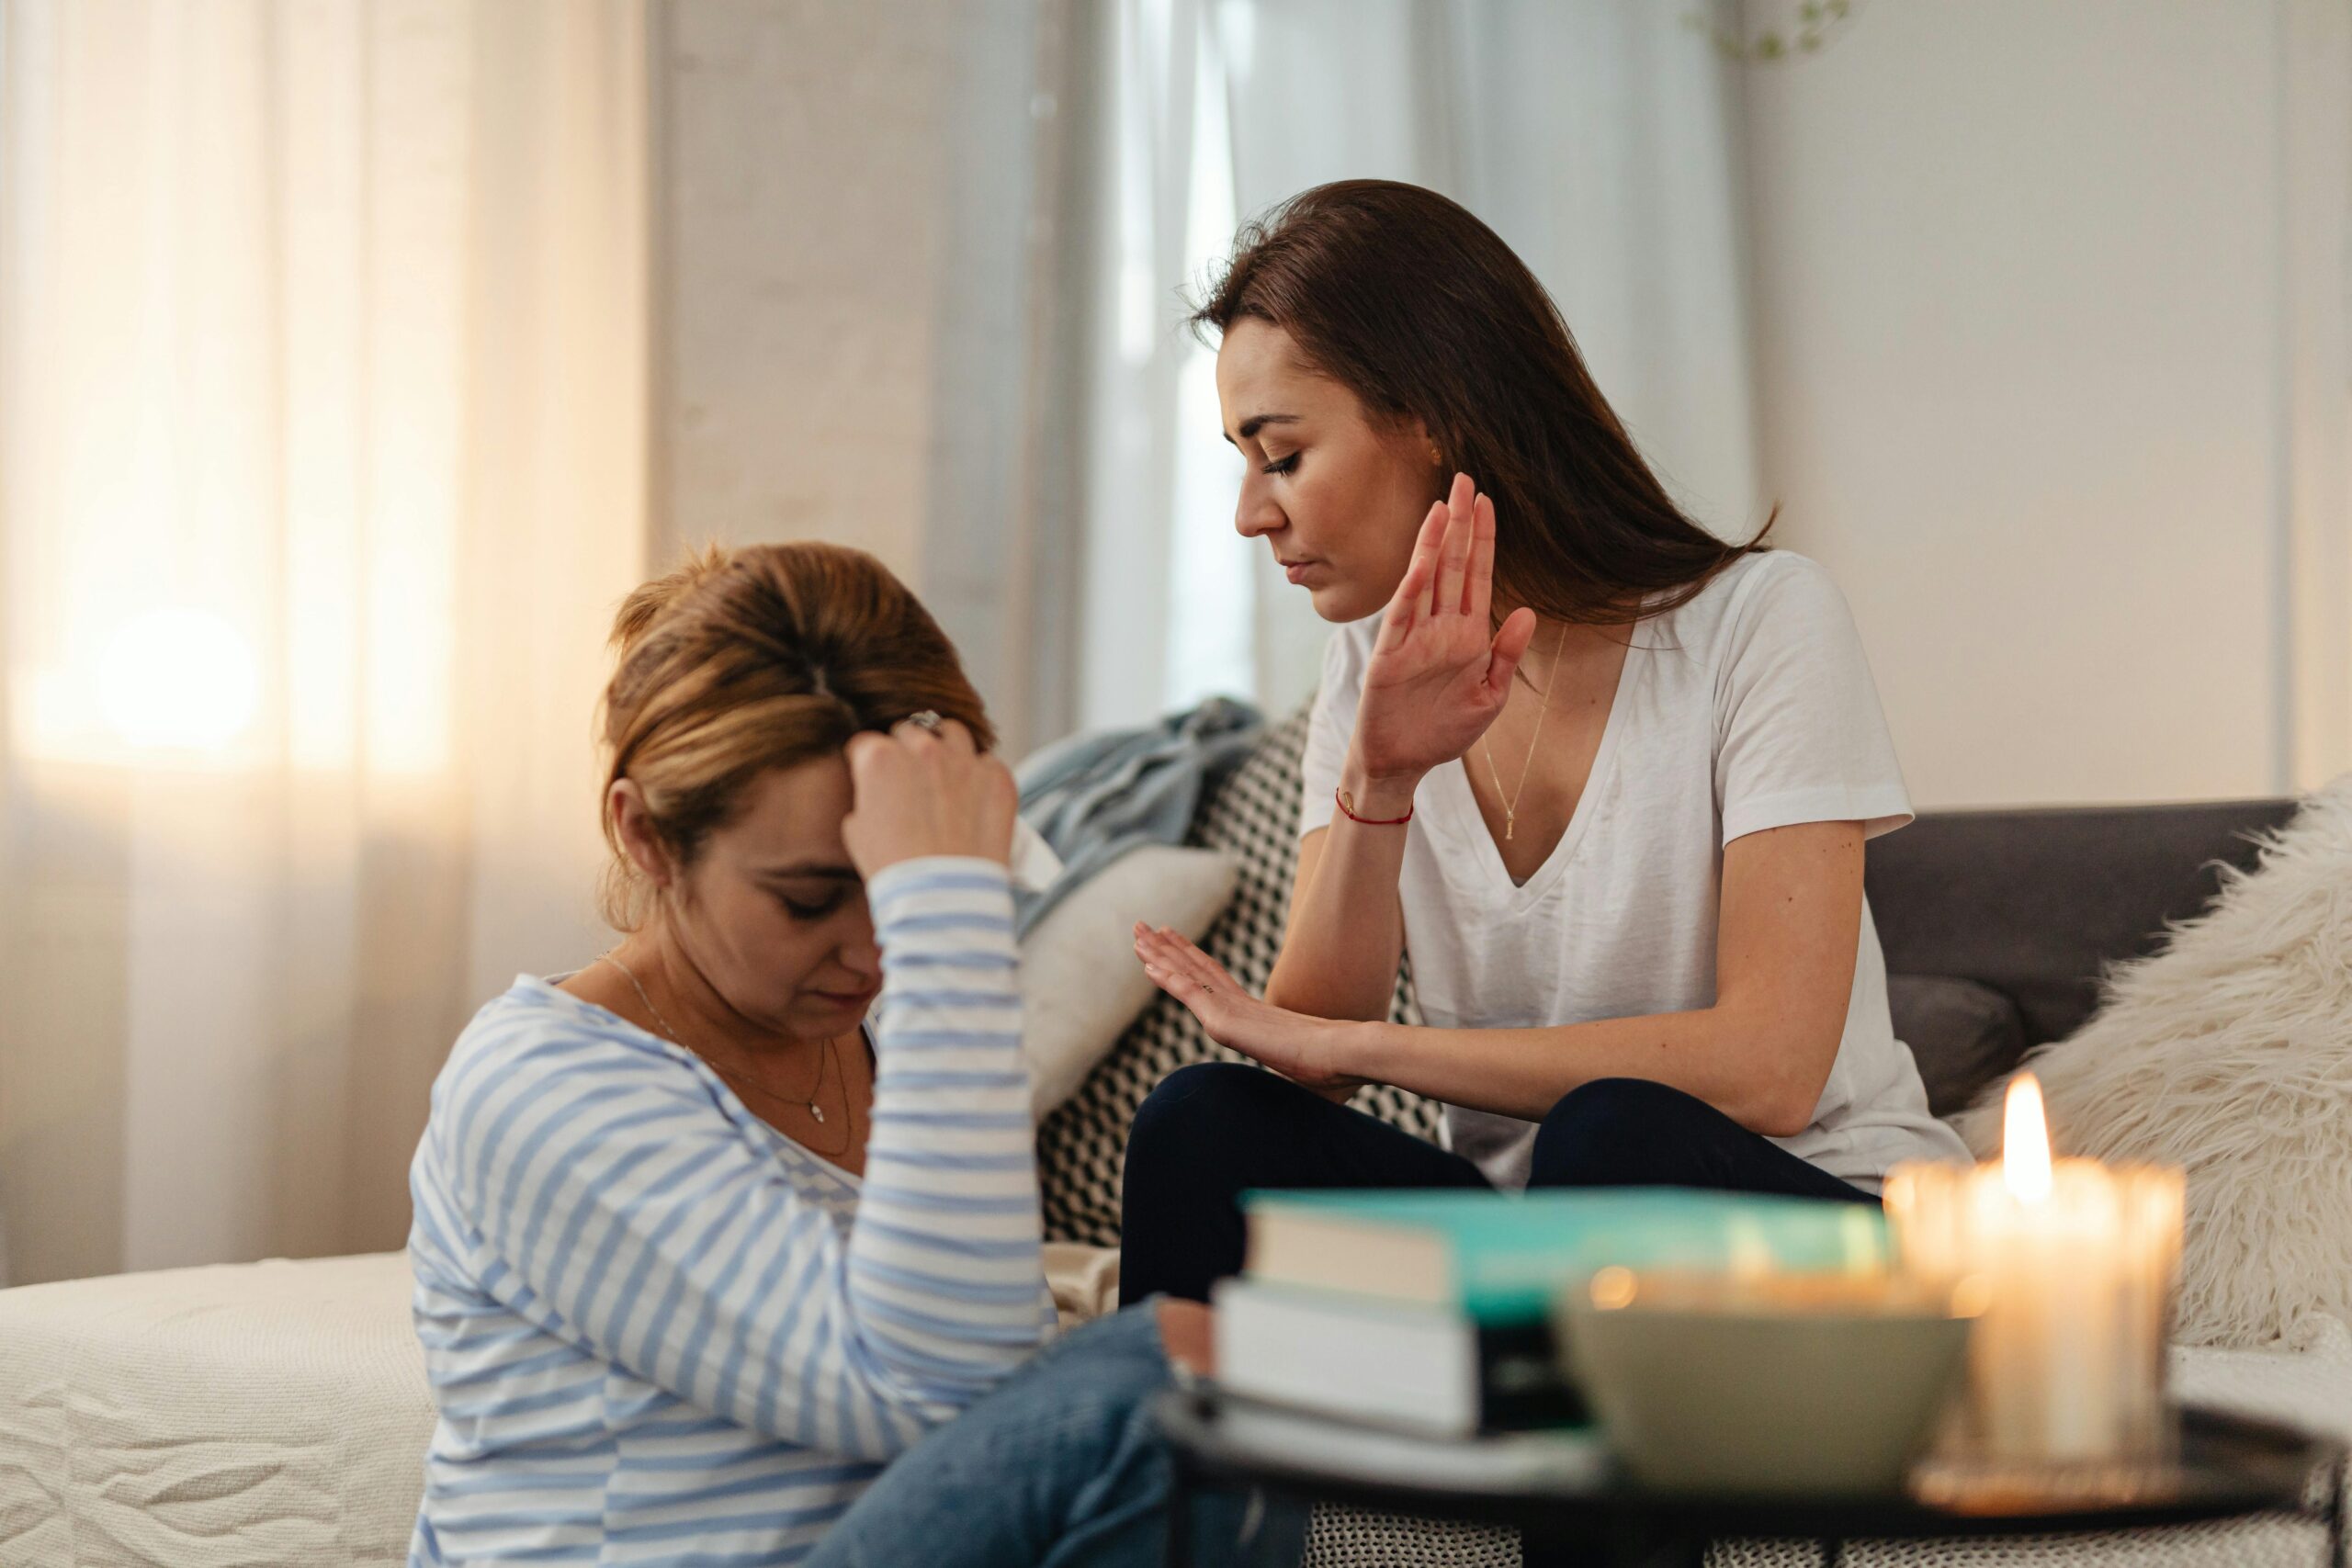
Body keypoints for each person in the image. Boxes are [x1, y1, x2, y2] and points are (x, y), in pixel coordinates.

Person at [1121, 180, 1971, 1309]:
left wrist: (1382, 1054)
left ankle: (1480, 1377)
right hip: (1538, 1244)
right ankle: (1165, 1430)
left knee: (1609, 1134)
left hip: (1815, 1223)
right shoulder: (1371, 661)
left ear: (1430, 415)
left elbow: (1769, 1073)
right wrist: (1381, 779)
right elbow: (1308, 1057)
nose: (1249, 514)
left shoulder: (1760, 622)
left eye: (1280, 458)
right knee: (1204, 1123)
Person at [405, 542, 1300, 1567]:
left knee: (1213, 1367)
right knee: (1155, 1382)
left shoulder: (888, 1050)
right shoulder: (539, 1084)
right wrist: (946, 912)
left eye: (894, 885)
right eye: (808, 898)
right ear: (646, 836)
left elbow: (992, 1388)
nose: (872, 949)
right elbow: (935, 1395)